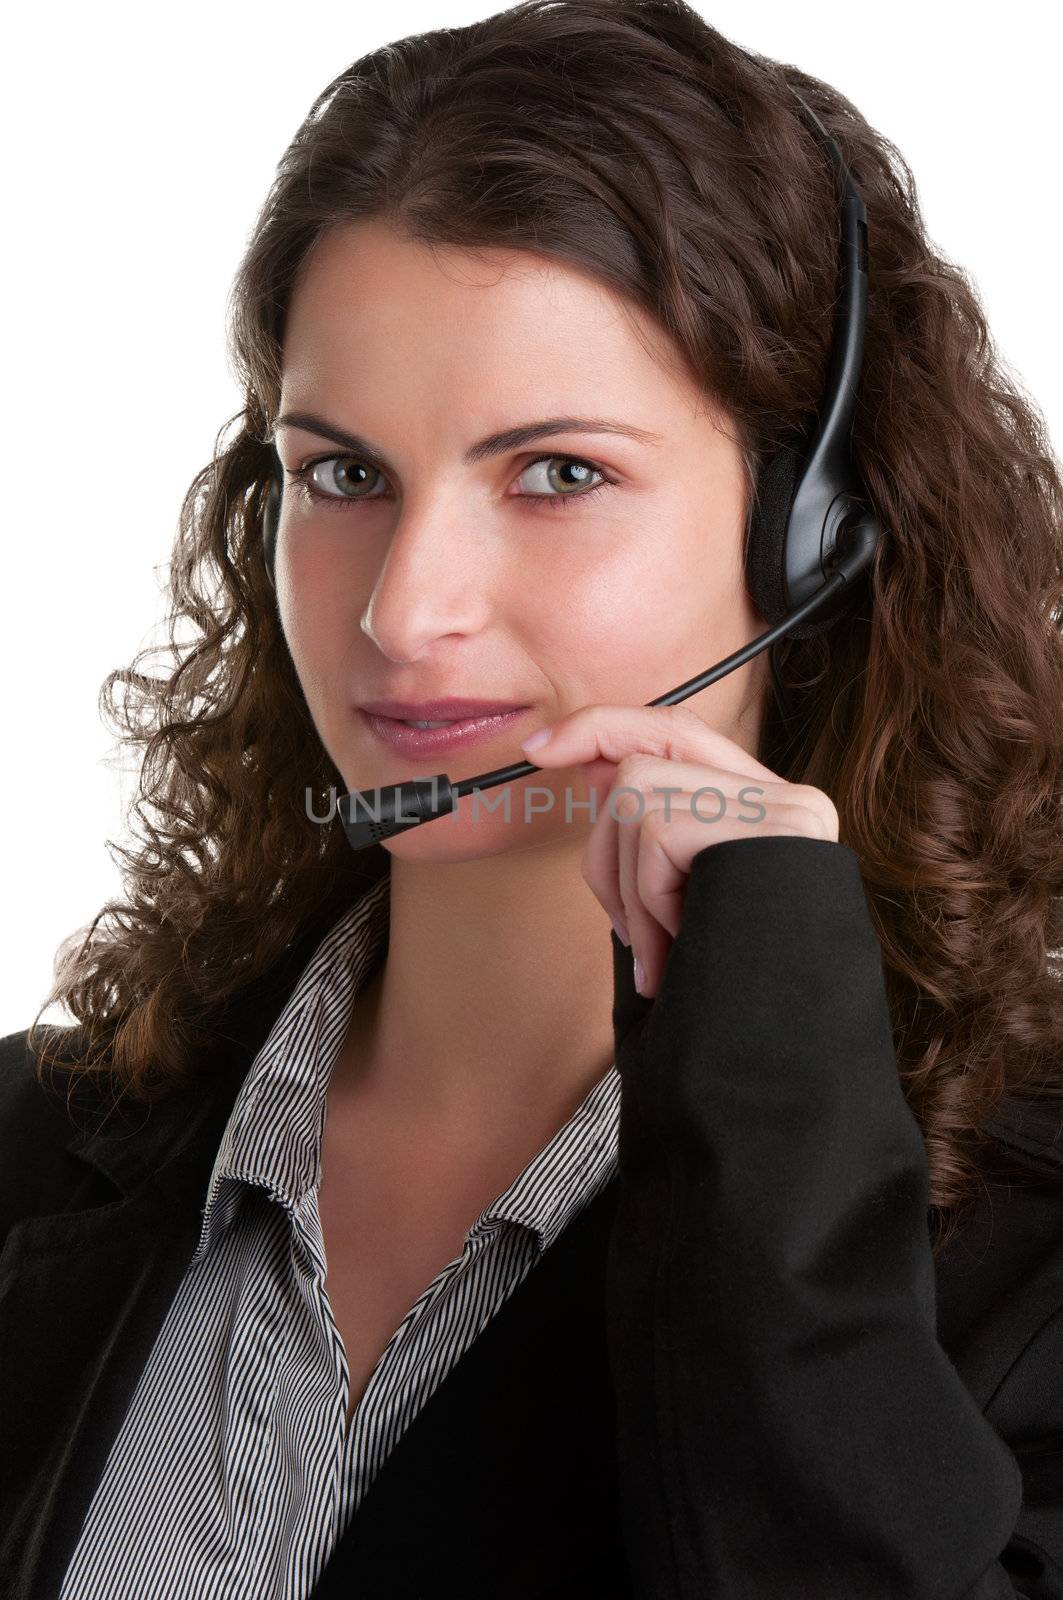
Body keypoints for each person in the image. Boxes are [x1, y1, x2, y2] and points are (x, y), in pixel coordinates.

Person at [2, 0, 1062, 1595]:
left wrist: (770, 1110)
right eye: (344, 476)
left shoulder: (1031, 1255)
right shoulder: (40, 1138)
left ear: (815, 538)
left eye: (557, 475)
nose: (403, 615)